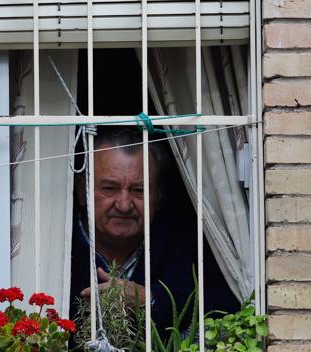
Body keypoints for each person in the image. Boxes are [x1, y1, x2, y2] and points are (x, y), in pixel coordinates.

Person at [69, 126, 239, 337]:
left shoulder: (189, 242)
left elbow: (230, 309)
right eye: (109, 188)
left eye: (139, 190)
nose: (124, 205)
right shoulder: (54, 247)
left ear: (158, 196)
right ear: (81, 192)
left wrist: (150, 300)